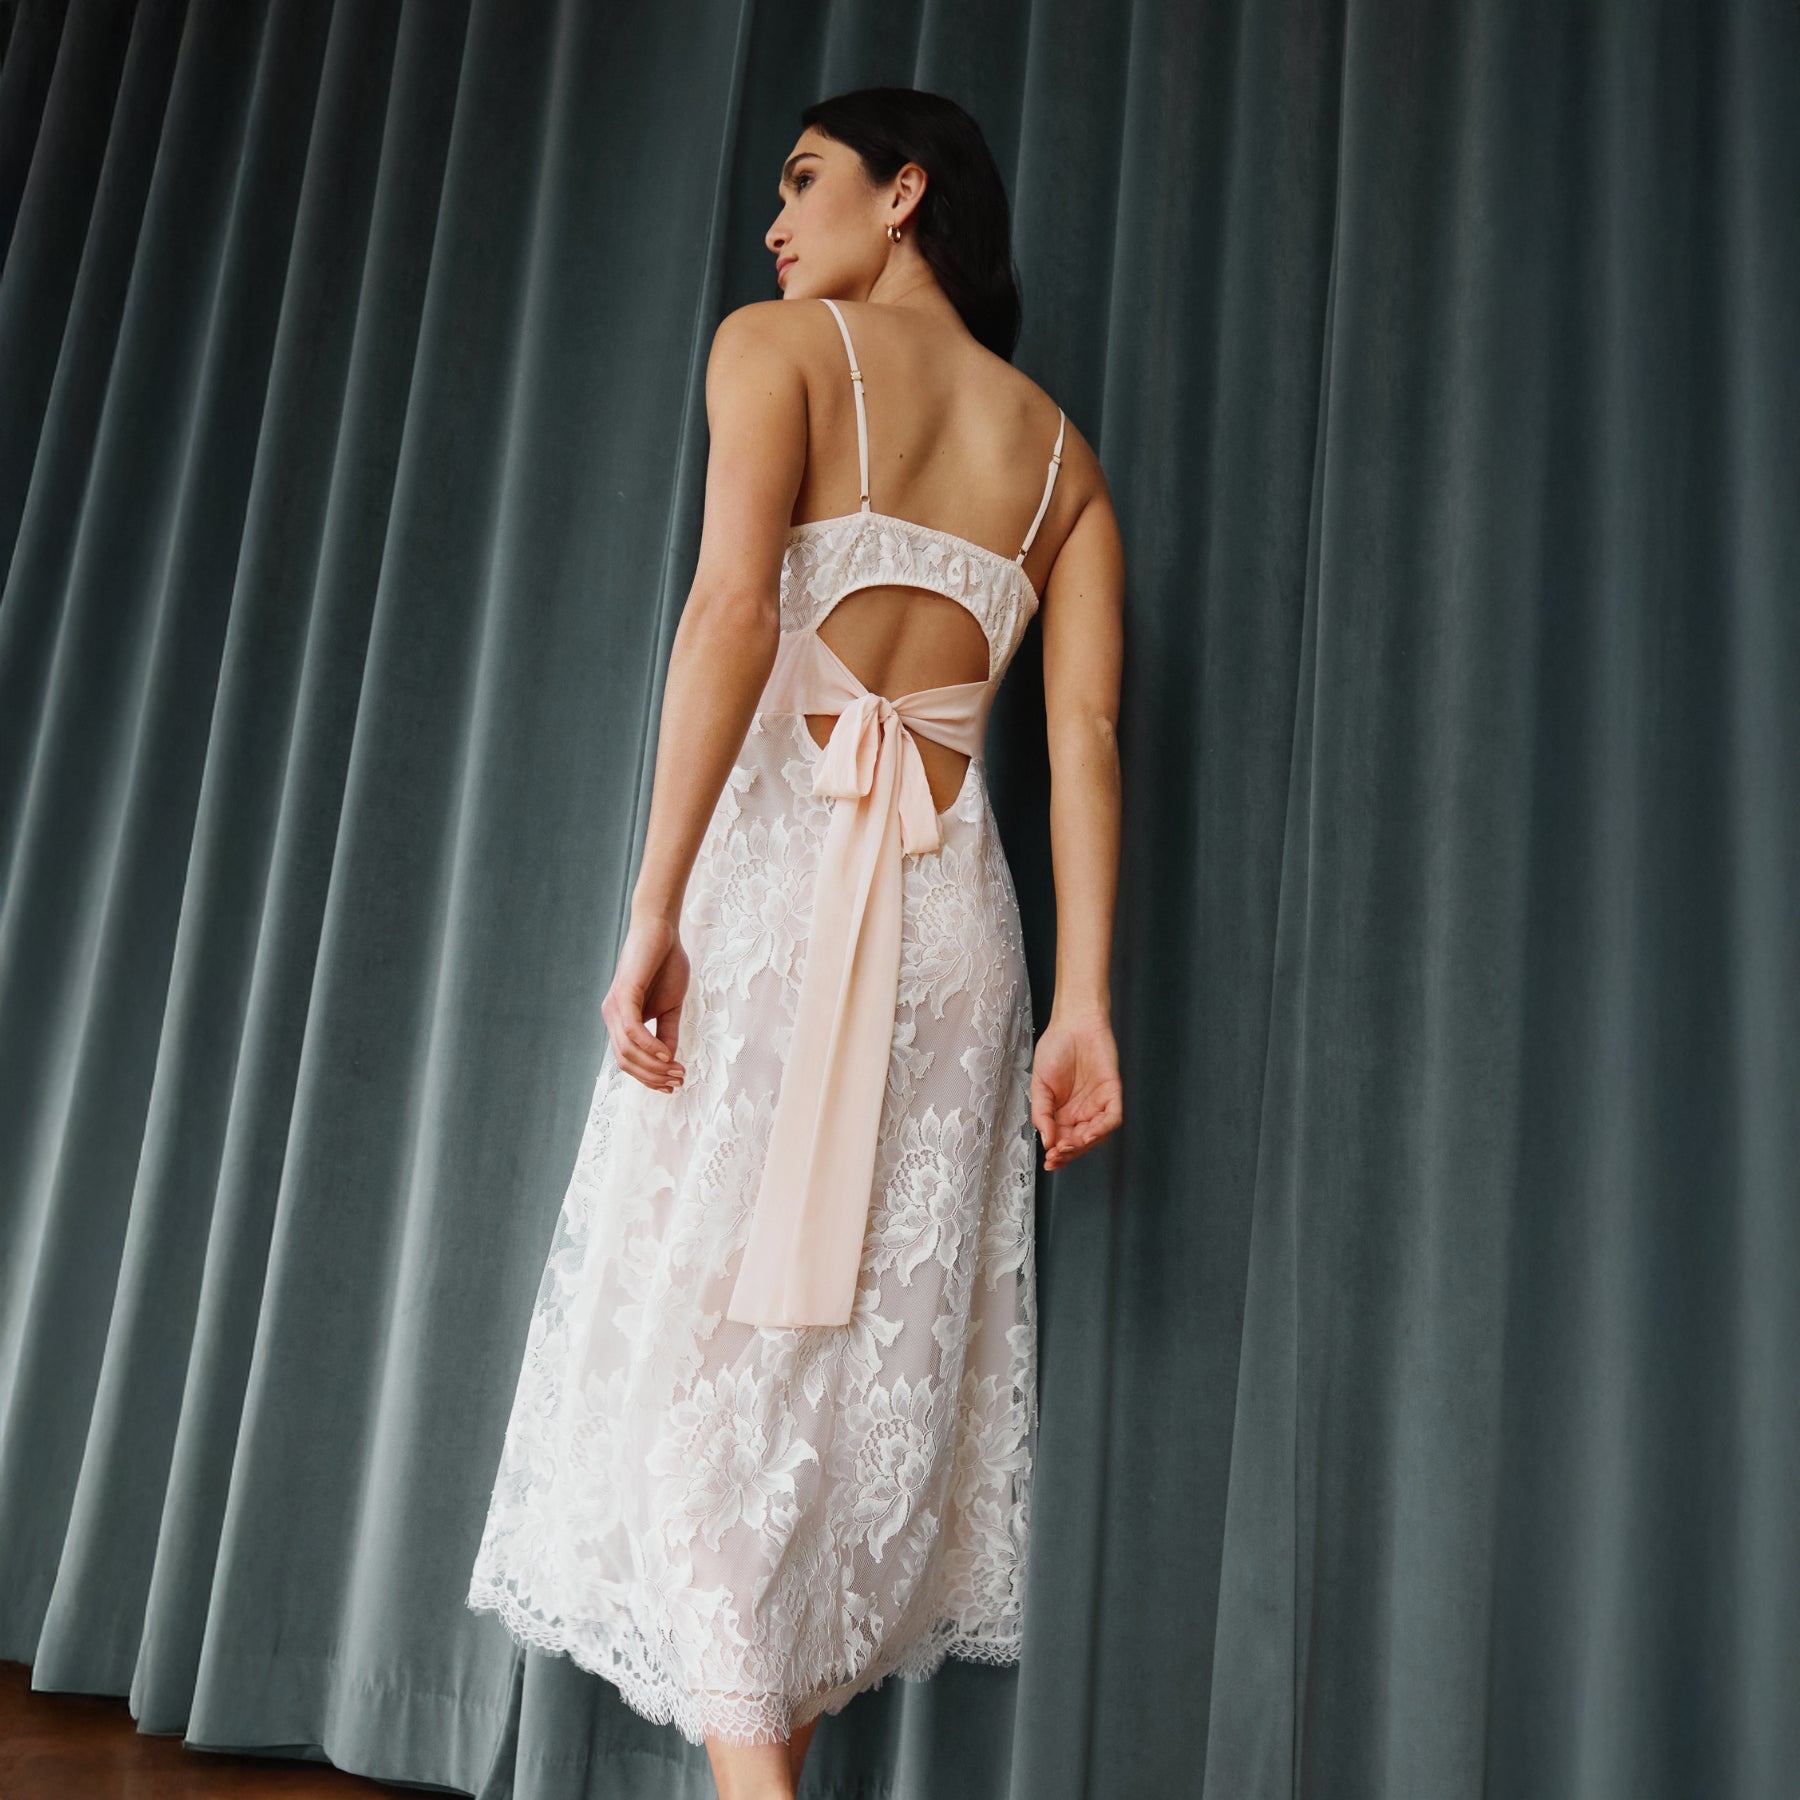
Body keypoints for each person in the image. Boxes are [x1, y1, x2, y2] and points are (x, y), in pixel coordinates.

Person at [467, 85, 1125, 1800]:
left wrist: (653, 907)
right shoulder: (1062, 464)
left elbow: (732, 611)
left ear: (903, 195)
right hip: (958, 937)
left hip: (779, 888)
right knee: (834, 1397)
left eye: (804, 180)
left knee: (695, 1370)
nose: (773, 223)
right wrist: (1086, 1004)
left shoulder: (775, 348)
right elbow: (1084, 741)